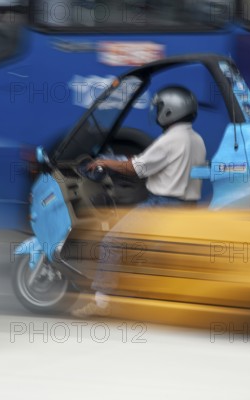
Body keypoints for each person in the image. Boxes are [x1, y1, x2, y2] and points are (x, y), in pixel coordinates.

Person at [71, 85, 207, 318]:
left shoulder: (171, 139)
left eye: (159, 108)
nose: (156, 114)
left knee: (111, 242)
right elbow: (162, 164)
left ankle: (102, 303)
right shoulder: (197, 139)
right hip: (188, 208)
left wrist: (104, 162)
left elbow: (134, 168)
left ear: (169, 111)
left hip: (163, 205)